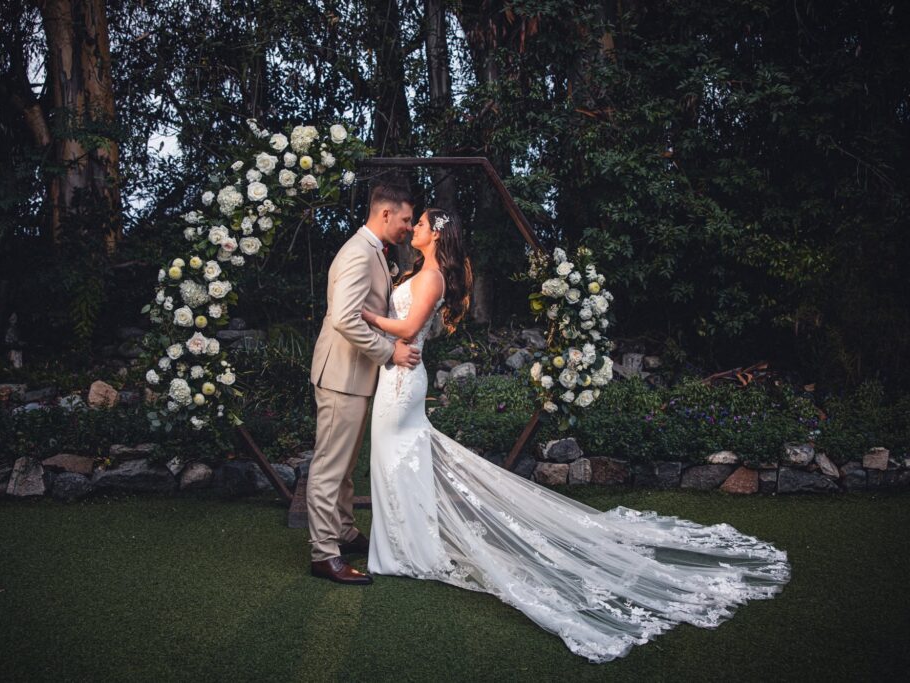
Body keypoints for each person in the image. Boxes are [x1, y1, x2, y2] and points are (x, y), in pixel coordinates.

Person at [358, 208, 792, 663]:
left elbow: (407, 329)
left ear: (437, 236)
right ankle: (406, 545)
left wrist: (369, 315)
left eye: (423, 224)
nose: (416, 229)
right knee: (397, 460)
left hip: (403, 380)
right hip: (397, 377)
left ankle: (407, 550)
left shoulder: (430, 280)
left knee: (399, 456)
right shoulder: (418, 272)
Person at [306, 184, 422, 585]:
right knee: (329, 466)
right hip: (341, 374)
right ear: (385, 214)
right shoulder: (358, 253)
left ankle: (342, 529)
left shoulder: (372, 251)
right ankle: (324, 552)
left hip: (353, 375)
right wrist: (389, 352)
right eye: (406, 219)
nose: (409, 226)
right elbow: (344, 318)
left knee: (345, 463)